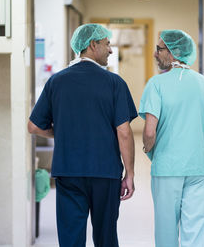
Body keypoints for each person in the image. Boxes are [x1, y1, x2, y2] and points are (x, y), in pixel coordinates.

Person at [28, 23, 137, 247]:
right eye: (107, 44)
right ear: (92, 45)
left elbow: (33, 126)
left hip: (69, 172)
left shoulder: (56, 81)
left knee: (70, 237)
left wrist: (62, 132)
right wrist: (130, 173)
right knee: (106, 236)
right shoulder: (114, 83)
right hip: (105, 172)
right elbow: (124, 132)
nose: (110, 50)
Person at [139, 29, 204, 247]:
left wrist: (149, 150)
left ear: (173, 52)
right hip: (197, 168)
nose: (155, 54)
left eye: (159, 49)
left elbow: (149, 132)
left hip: (167, 169)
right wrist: (194, 145)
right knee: (194, 229)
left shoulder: (156, 84)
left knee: (166, 230)